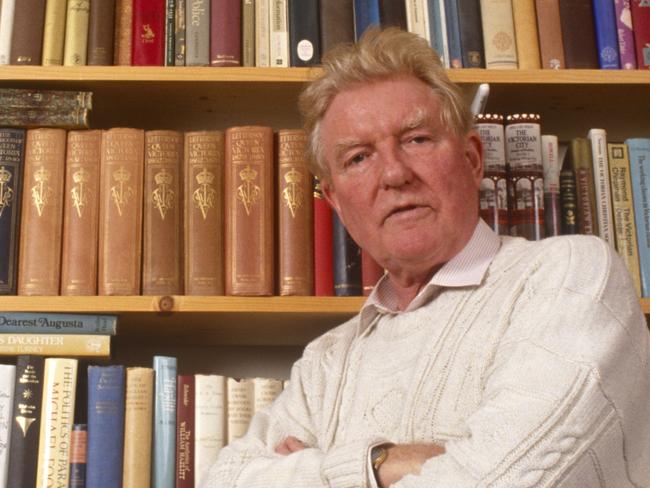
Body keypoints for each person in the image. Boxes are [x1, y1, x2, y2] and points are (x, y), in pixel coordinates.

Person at [203, 28, 650, 487]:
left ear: (473, 159)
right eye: (359, 158)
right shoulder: (327, 361)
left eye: (416, 139)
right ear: (335, 201)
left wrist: (310, 468)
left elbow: (499, 481)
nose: (394, 173)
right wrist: (381, 464)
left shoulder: (570, 278)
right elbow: (222, 481)